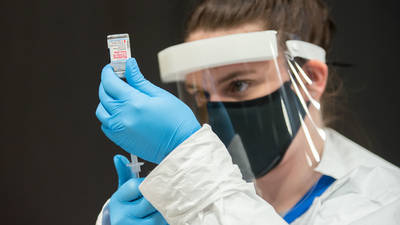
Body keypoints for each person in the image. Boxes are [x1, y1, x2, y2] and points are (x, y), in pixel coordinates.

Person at [95, 0, 400, 224]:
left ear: (310, 80)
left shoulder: (384, 202)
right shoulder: (202, 194)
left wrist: (188, 171)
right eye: (201, 93)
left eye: (239, 85)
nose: (215, 110)